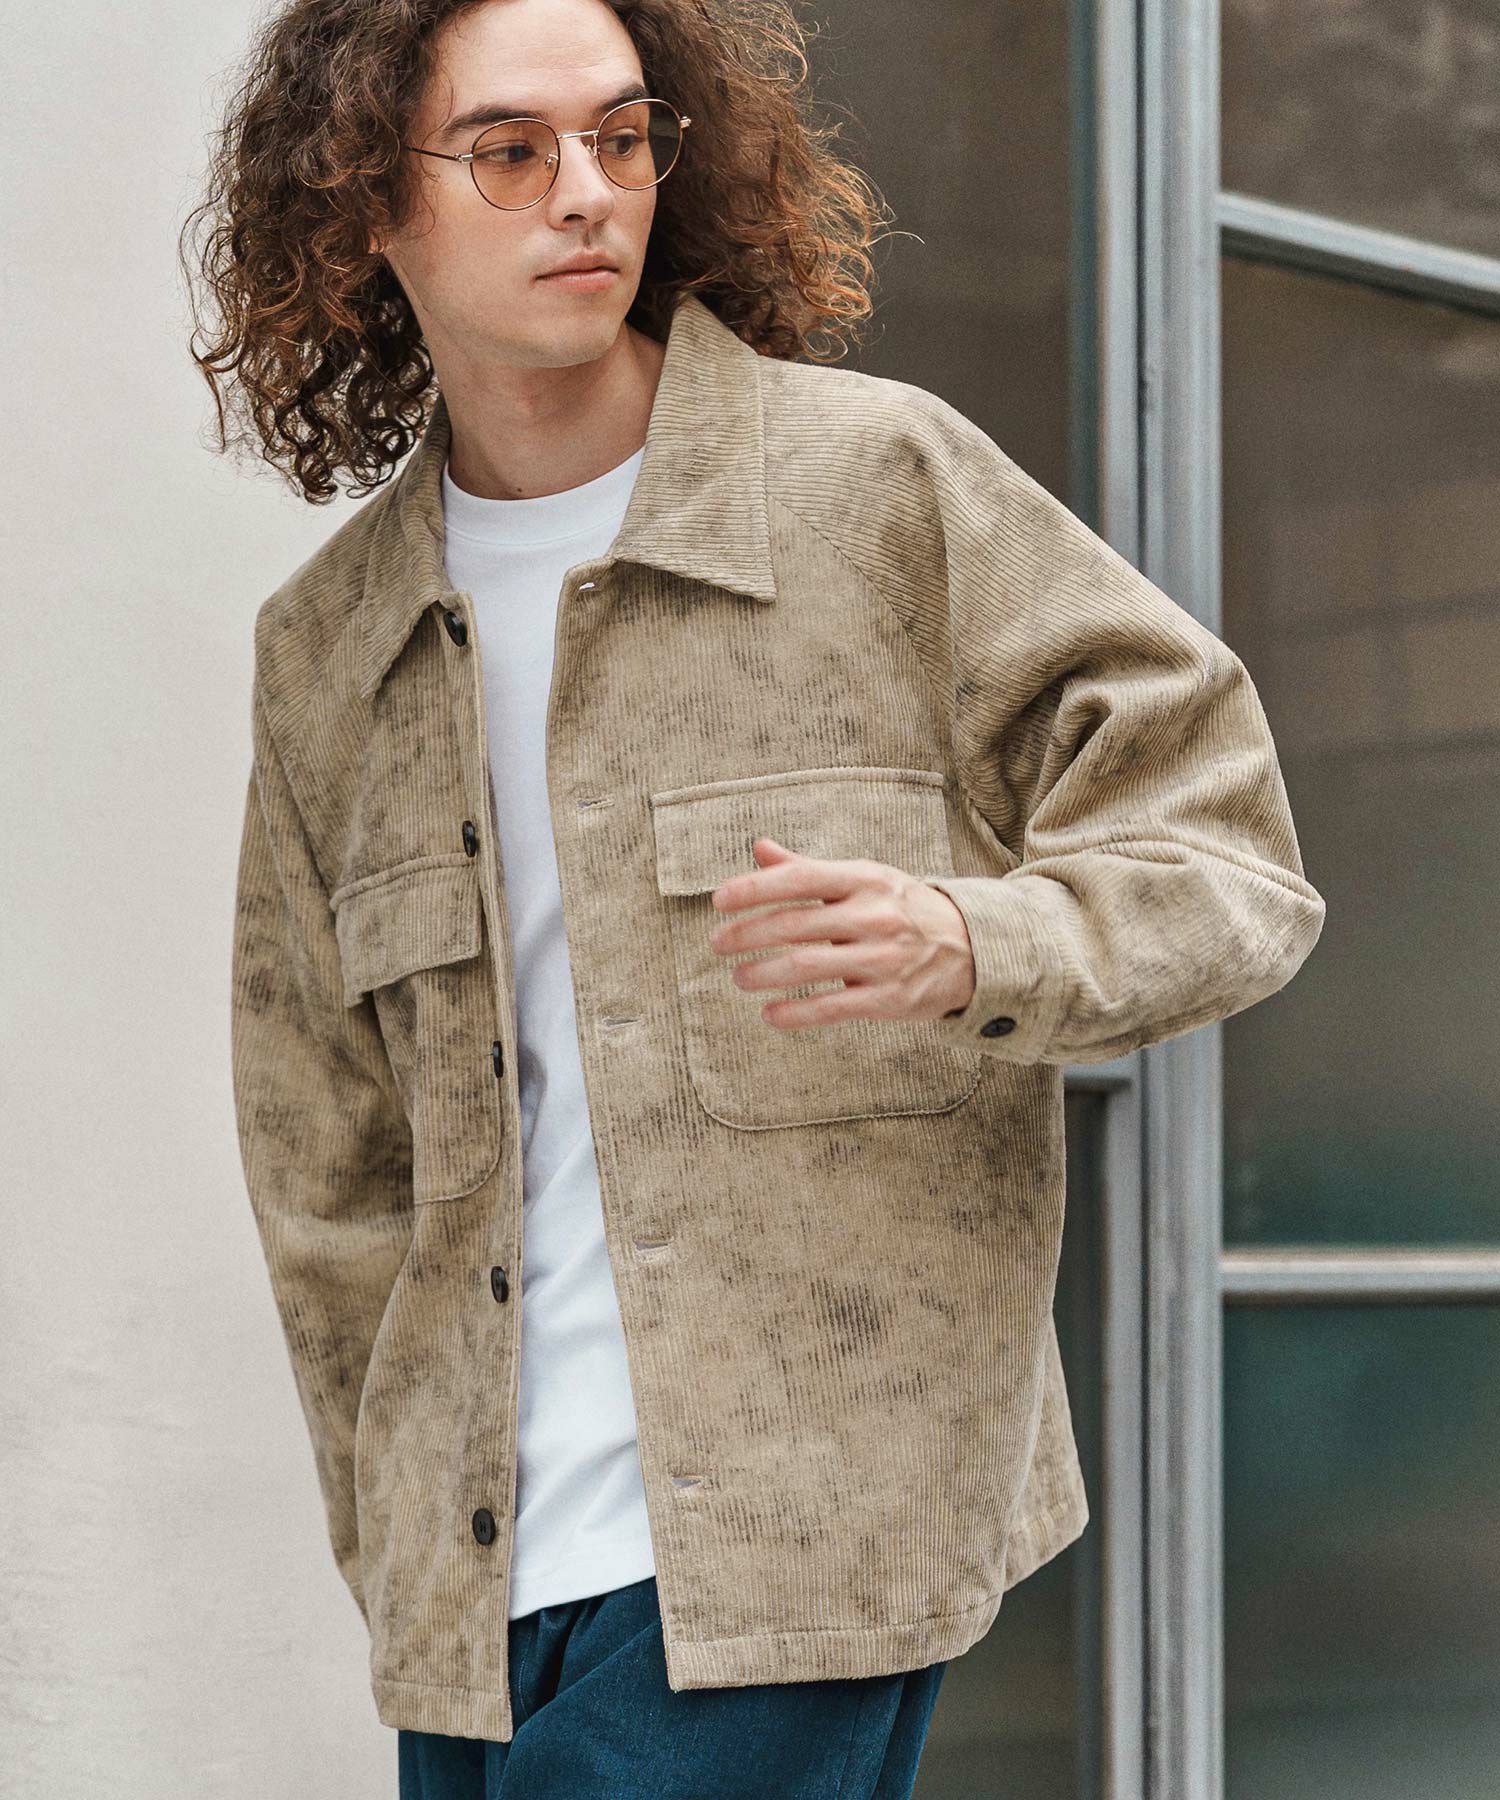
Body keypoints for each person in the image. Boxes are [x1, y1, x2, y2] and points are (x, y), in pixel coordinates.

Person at [185, 0, 1326, 1794]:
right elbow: (322, 1156)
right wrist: (393, 1528)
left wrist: (981, 939)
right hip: (478, 1587)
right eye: (510, 151)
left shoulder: (881, 489)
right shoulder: (328, 648)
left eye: (623, 136)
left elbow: (1230, 856)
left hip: (805, 1537)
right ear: (366, 207)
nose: (587, 193)